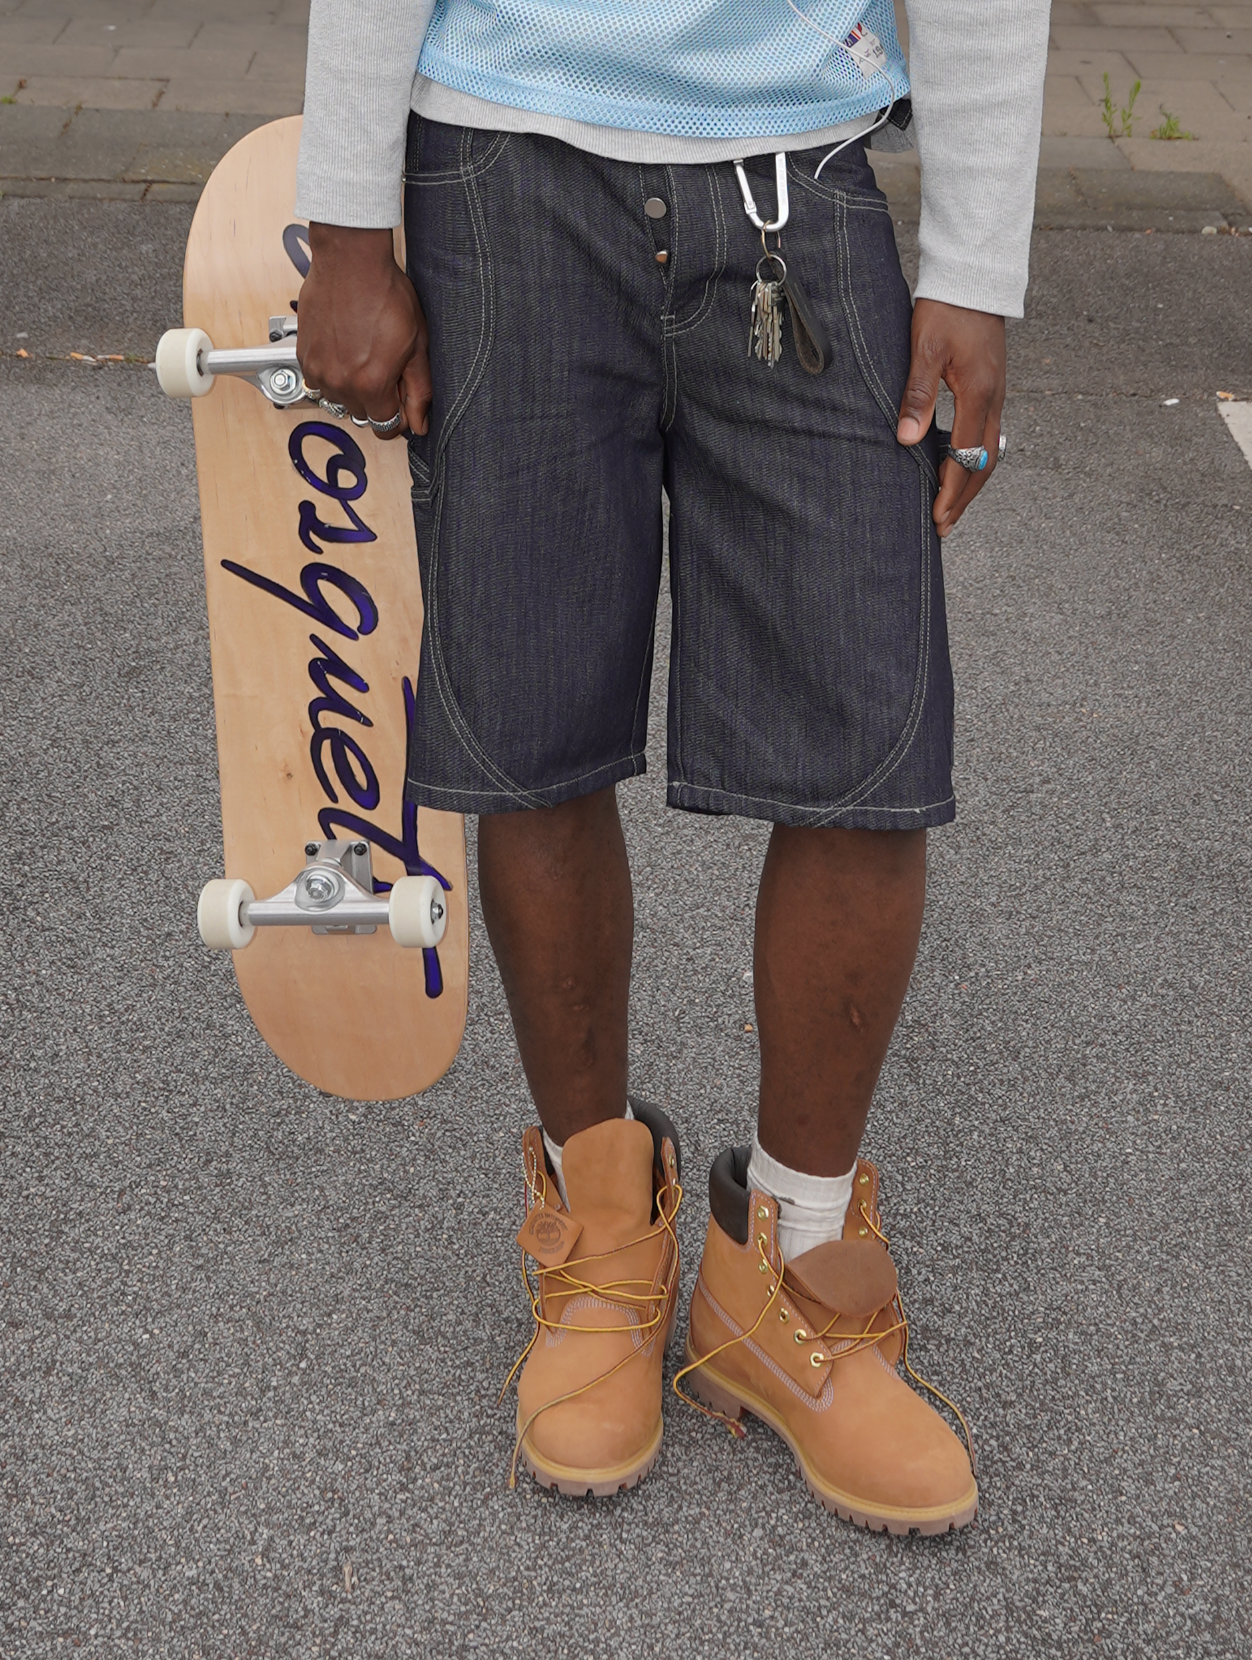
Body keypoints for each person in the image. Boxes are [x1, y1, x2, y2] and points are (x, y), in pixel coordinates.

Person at [294, 0, 1049, 1532]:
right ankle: (600, 1258)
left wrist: (977, 264)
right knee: (533, 728)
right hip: (501, 163)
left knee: (868, 742)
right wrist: (349, 225)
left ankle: (790, 1287)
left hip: (801, 166)